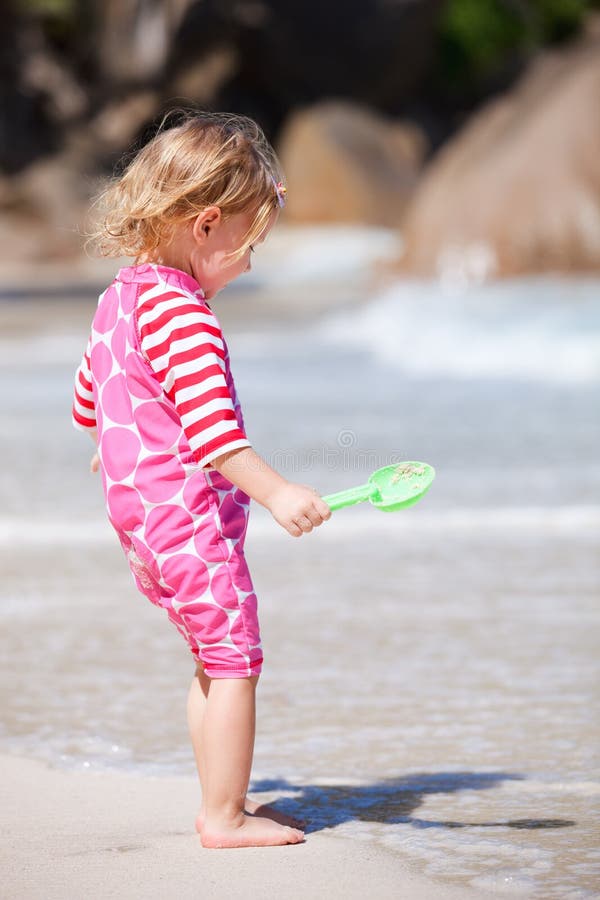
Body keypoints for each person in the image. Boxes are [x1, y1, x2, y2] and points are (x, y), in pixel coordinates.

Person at [72, 112, 331, 848]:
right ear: (208, 225)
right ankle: (224, 816)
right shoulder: (187, 317)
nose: (250, 264)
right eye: (250, 245)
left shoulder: (120, 297)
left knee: (212, 657)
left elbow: (92, 396)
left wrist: (120, 450)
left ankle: (220, 798)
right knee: (238, 657)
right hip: (187, 522)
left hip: (139, 521)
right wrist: (279, 492)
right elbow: (217, 438)